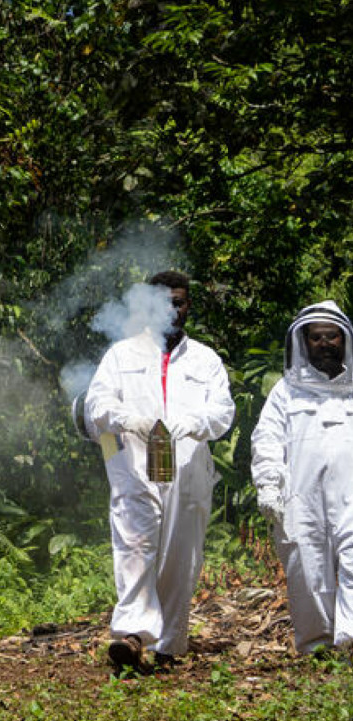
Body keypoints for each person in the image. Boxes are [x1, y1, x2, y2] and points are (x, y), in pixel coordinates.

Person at [84, 271, 234, 669]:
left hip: (187, 471)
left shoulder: (205, 359)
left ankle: (168, 645)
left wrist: (195, 423)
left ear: (188, 306)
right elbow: (95, 405)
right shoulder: (122, 355)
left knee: (180, 557)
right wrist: (124, 417)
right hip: (133, 468)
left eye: (179, 302)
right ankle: (131, 635)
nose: (172, 309)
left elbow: (223, 411)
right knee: (135, 548)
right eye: (163, 301)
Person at [251, 301, 353, 653]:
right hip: (301, 495)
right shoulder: (286, 392)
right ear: (303, 342)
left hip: (351, 494)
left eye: (332, 336)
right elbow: (267, 438)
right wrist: (267, 483)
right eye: (316, 337)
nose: (325, 344)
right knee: (306, 568)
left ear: (344, 340)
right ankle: (318, 644)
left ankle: (349, 638)